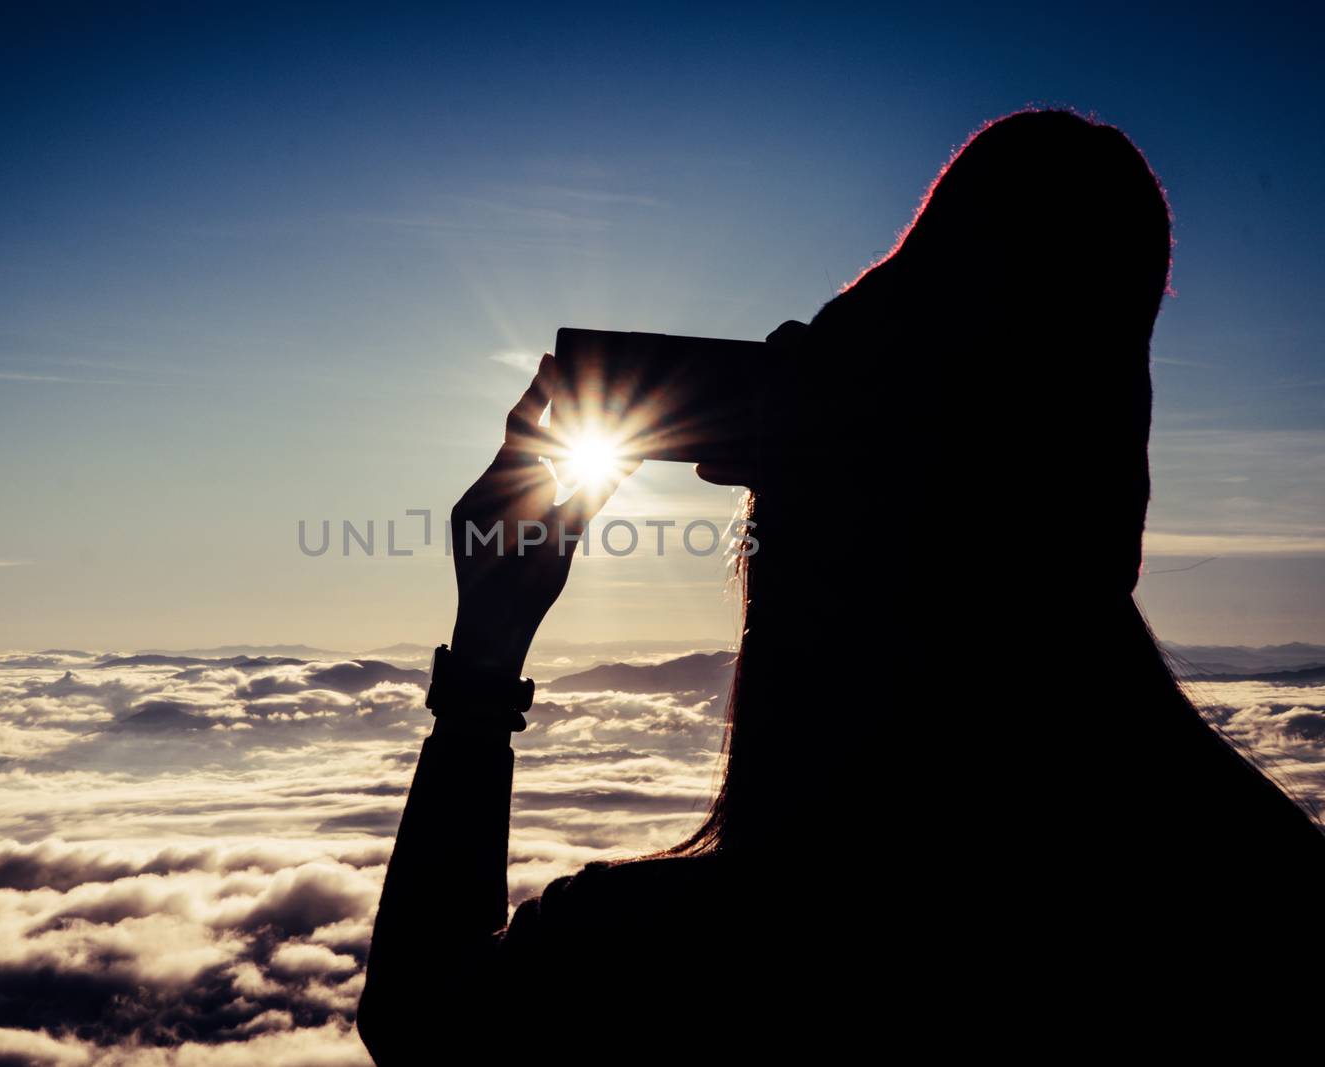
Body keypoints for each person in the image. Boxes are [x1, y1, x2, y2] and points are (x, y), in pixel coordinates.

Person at [356, 110, 1325, 1064]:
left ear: (799, 561)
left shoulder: (670, 963)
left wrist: (484, 663)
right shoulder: (1269, 899)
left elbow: (416, 1019)